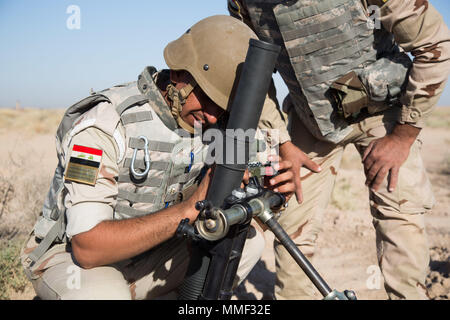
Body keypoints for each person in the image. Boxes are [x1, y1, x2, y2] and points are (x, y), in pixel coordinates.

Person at [20, 15, 296, 300]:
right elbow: (87, 248)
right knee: (102, 294)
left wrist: (273, 192)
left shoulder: (219, 125)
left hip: (152, 251)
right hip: (74, 259)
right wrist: (188, 208)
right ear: (179, 76)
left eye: (224, 106)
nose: (213, 115)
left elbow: (268, 171)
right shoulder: (106, 123)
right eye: (208, 99)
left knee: (246, 241)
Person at [228, 0, 450, 299]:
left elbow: (435, 46)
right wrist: (282, 142)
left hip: (384, 113)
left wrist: (403, 136)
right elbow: (254, 72)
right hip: (311, 123)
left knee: (399, 214)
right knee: (292, 225)